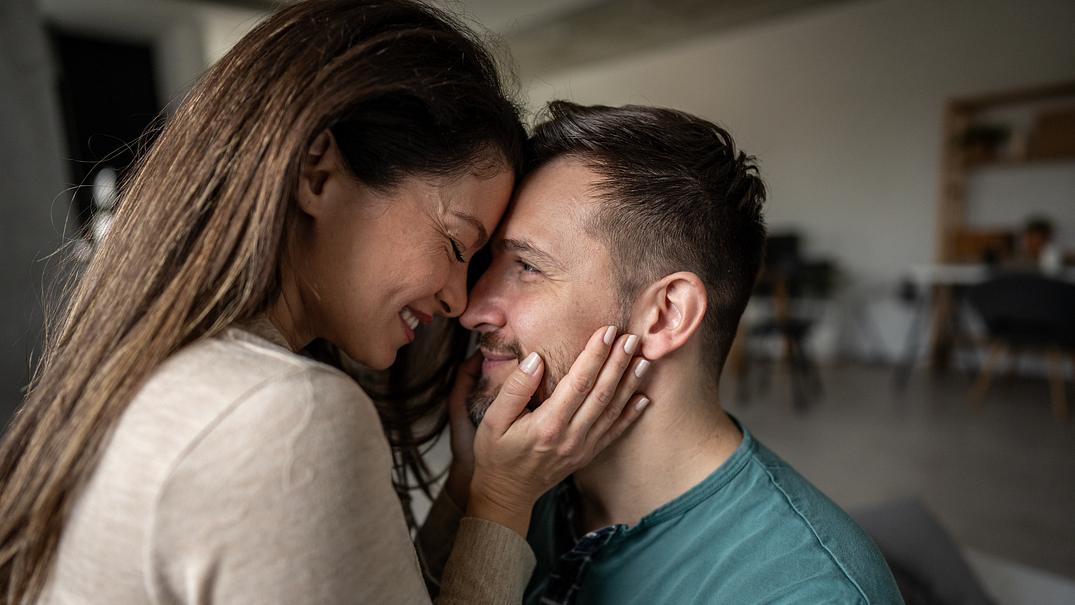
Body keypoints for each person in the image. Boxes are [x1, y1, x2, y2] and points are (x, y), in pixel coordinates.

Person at [0, 3, 651, 604]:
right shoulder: (281, 412)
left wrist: (468, 485)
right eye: (456, 244)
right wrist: (503, 499)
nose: (460, 301)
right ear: (317, 173)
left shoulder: (158, 375)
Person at [462, 101, 904, 604]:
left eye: (527, 267)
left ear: (665, 315)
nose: (472, 310)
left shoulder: (806, 593)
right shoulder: (524, 483)